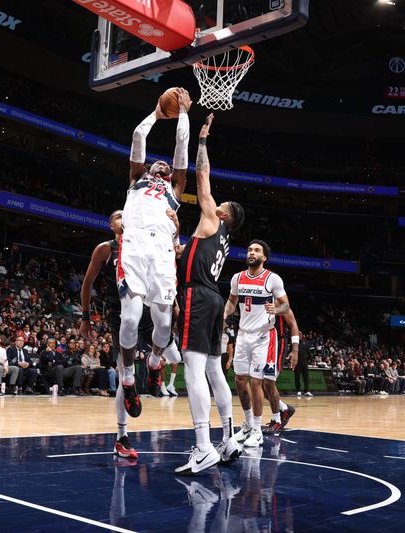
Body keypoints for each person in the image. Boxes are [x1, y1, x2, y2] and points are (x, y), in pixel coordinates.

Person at [173, 114, 245, 475]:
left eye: (223, 203)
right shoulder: (220, 238)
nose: (217, 202)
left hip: (199, 298)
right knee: (215, 370)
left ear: (225, 214)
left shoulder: (213, 218)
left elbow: (202, 177)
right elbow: (186, 256)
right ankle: (228, 439)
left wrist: (201, 141)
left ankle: (203, 446)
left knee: (194, 368)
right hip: (214, 298)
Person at [79, 209, 181, 460]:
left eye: (127, 214)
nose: (123, 218)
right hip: (120, 313)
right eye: (117, 215)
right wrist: (85, 315)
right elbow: (87, 283)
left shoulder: (146, 243)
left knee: (175, 355)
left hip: (148, 308)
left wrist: (173, 303)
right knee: (126, 374)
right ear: (110, 224)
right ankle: (122, 437)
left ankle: (155, 362)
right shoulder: (105, 248)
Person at [117, 88, 191, 418]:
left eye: (165, 165)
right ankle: (130, 380)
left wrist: (185, 113)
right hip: (134, 248)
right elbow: (136, 135)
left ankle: (155, 361)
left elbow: (181, 149)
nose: (160, 164)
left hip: (162, 254)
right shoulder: (136, 180)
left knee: (163, 328)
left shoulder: (174, 190)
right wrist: (156, 115)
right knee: (130, 318)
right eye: (154, 163)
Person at [224, 240, 297, 448]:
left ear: (264, 257)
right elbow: (231, 301)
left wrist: (277, 309)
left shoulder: (272, 279)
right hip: (243, 335)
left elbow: (286, 305)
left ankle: (257, 429)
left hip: (263, 337)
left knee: (257, 382)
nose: (251, 252)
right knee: (239, 380)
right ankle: (247, 425)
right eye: (249, 249)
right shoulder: (237, 278)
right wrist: (225, 312)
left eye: (256, 250)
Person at [261, 294, 299, 435]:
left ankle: (277, 420)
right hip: (262, 344)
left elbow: (293, 324)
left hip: (278, 344)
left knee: (268, 383)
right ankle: (284, 409)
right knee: (258, 385)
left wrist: (295, 350)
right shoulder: (259, 301)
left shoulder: (280, 303)